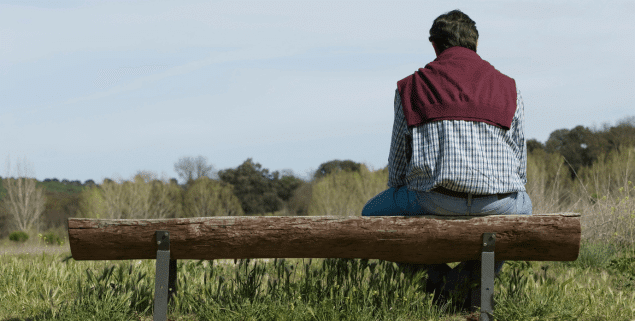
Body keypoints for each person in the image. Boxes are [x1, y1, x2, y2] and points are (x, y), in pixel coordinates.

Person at [361, 9, 532, 312]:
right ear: (475, 45)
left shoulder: (411, 86)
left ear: (435, 46)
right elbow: (519, 162)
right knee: (523, 206)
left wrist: (403, 191)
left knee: (370, 215)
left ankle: (439, 284)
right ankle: (472, 290)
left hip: (435, 199)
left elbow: (399, 158)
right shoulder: (510, 87)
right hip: (498, 203)